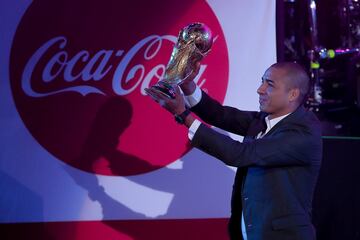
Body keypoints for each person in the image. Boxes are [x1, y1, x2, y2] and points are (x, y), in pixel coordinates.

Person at [145, 62, 322, 240]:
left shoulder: (302, 132)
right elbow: (220, 115)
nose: (260, 89)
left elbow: (239, 154)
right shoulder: (264, 120)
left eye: (270, 84)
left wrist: (184, 115)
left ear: (292, 94)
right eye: (262, 81)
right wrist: (187, 84)